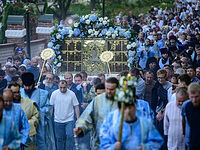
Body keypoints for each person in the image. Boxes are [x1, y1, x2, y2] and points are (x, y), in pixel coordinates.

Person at [99, 75, 163, 150]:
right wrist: (113, 147)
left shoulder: (144, 121)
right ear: (119, 108)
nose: (128, 111)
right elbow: (103, 143)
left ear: (135, 106)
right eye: (124, 108)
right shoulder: (110, 119)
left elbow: (156, 141)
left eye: (130, 107)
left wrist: (145, 147)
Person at [74, 77, 119, 149]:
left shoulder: (123, 100)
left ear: (117, 89)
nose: (109, 92)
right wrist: (81, 128)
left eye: (112, 89)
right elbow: (87, 116)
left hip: (117, 140)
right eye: (107, 89)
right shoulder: (98, 100)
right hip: (99, 140)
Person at [20, 72, 55, 150]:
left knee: (40, 142)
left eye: (29, 86)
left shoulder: (43, 93)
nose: (27, 88)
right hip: (23, 124)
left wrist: (37, 110)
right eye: (25, 86)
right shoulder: (19, 93)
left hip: (39, 124)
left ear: (33, 84)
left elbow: (47, 107)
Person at [8, 82, 39, 149]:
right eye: (14, 92)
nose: (17, 94)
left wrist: (27, 124)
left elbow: (36, 115)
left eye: (18, 92)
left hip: (27, 138)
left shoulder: (29, 102)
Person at [50, 80, 80, 150]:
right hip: (57, 119)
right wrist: (50, 117)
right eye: (61, 87)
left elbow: (76, 106)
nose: (62, 89)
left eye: (64, 87)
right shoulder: (54, 93)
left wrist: (78, 118)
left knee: (70, 136)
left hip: (69, 119)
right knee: (59, 138)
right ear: (58, 86)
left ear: (67, 86)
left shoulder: (72, 94)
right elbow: (51, 106)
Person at [182, 83, 200, 150]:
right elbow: (183, 120)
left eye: (196, 97)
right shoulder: (186, 106)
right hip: (191, 142)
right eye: (192, 97)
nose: (194, 100)